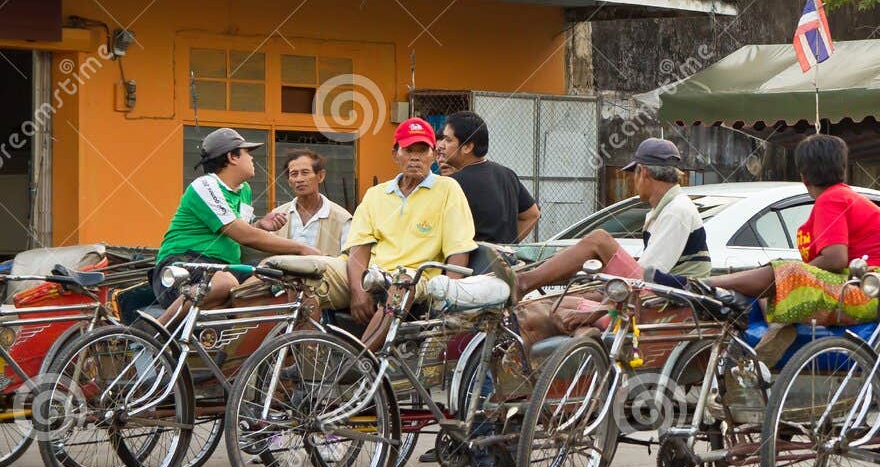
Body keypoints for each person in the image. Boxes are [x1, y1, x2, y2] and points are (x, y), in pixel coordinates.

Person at [274, 119, 477, 328]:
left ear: (433, 155)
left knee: (402, 282)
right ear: (395, 154)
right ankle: (310, 356)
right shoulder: (376, 194)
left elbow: (458, 250)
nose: (415, 157)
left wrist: (449, 301)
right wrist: (358, 291)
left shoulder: (448, 189)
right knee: (305, 274)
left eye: (422, 150)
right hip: (369, 273)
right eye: (408, 150)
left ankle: (361, 357)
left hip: (414, 278)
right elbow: (359, 247)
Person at [512, 138, 710, 341]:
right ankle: (584, 333)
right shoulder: (665, 209)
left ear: (643, 172)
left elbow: (645, 277)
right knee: (553, 304)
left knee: (599, 240)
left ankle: (523, 282)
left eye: (634, 174)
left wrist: (600, 308)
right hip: (656, 295)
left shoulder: (677, 211)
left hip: (668, 302)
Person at [710, 133, 880, 326]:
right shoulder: (839, 196)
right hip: (870, 287)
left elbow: (835, 259)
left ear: (803, 176)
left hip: (872, 290)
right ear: (843, 169)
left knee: (784, 271)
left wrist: (793, 270)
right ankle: (772, 338)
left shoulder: (831, 199)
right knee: (777, 274)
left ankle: (706, 283)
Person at [152, 128, 317, 310]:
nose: (252, 158)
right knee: (224, 282)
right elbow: (243, 235)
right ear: (232, 157)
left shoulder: (244, 189)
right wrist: (302, 248)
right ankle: (160, 326)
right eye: (247, 153)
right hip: (181, 267)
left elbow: (242, 228)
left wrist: (260, 225)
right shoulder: (205, 185)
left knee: (275, 272)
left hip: (222, 267)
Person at [436, 110, 541, 244]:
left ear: (467, 147)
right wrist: (507, 247)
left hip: (468, 263)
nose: (441, 146)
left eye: (448, 140)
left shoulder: (452, 183)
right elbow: (532, 215)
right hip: (507, 262)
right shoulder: (508, 174)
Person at [265, 149, 353, 256]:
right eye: (294, 174)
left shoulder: (342, 219)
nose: (299, 179)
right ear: (289, 181)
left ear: (321, 176)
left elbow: (348, 260)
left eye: (305, 173)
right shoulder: (278, 215)